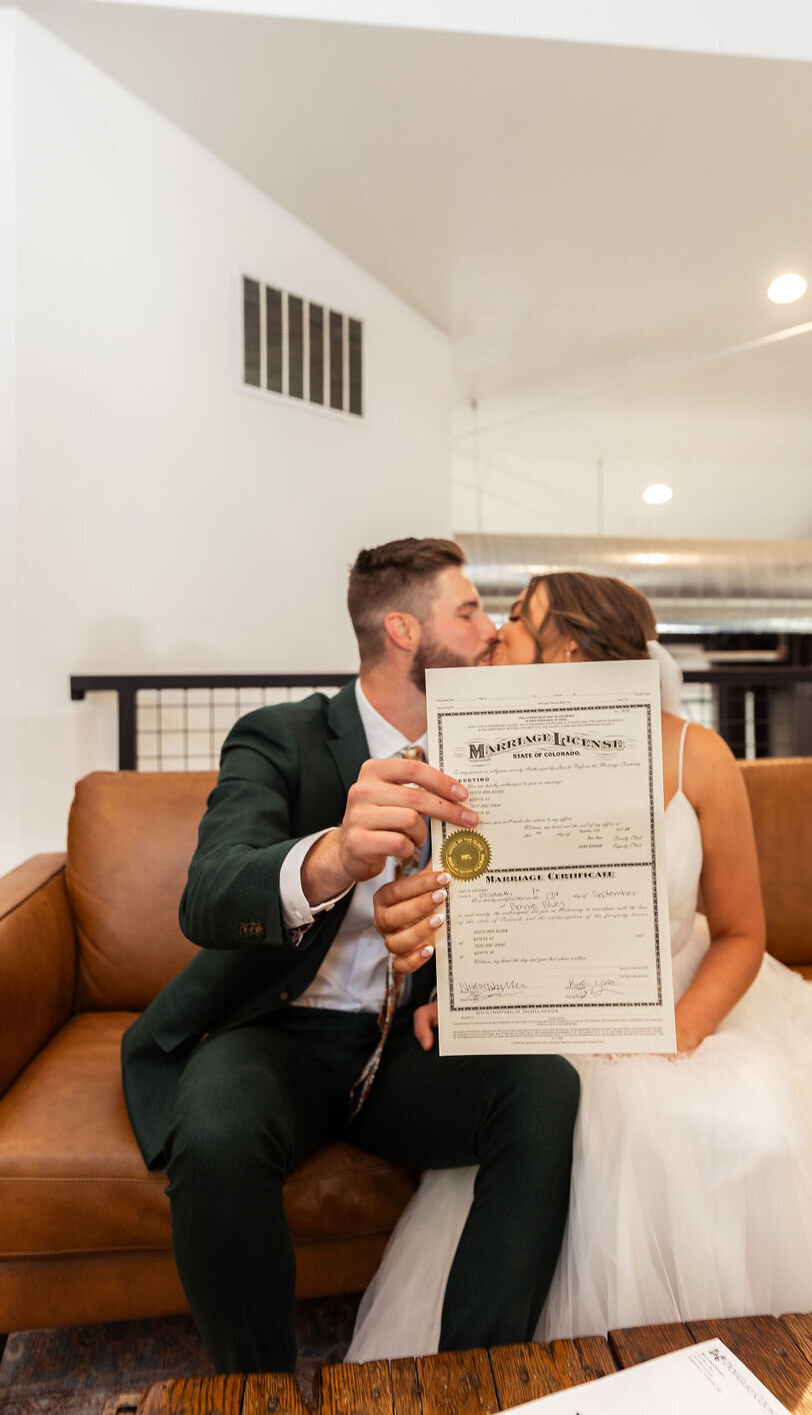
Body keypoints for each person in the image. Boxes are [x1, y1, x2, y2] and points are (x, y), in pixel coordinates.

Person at [351, 569, 812, 1358]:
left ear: (570, 650)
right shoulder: (484, 751)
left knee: (737, 1120)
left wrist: (679, 1031)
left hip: (679, 994)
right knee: (542, 1124)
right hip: (551, 1010)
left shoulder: (699, 755)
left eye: (517, 618)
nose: (495, 633)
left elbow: (740, 932)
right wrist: (471, 996)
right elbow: (497, 907)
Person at [121, 537, 580, 1374]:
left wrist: (463, 977)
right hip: (278, 1033)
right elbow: (211, 892)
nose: (490, 632)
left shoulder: (490, 747)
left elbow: (525, 899)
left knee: (545, 1084)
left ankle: (474, 1383)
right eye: (471, 611)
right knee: (216, 1130)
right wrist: (334, 855)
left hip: (408, 1043)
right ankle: (255, 1393)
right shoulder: (281, 737)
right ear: (404, 631)